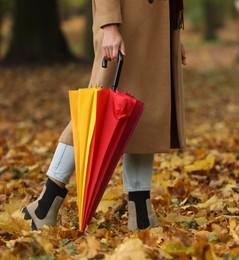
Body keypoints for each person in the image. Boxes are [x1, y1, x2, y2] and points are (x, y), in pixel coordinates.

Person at [23, 0, 186, 231]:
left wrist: (171, 37)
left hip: (154, 27)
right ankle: (44, 204)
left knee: (144, 119)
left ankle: (140, 215)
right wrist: (109, 24)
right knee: (94, 114)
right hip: (124, 23)